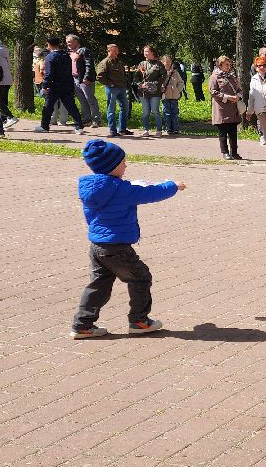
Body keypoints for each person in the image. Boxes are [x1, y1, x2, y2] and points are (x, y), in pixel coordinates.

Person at [70, 138, 183, 338]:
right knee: (141, 278)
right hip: (118, 247)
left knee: (99, 285)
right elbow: (151, 193)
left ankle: (82, 324)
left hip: (97, 245)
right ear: (112, 166)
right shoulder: (121, 189)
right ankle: (139, 321)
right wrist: (173, 185)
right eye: (123, 162)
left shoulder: (92, 188)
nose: (126, 165)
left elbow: (128, 190)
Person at [36, 35, 85, 134]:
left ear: (49, 44)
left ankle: (44, 126)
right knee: (71, 106)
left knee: (48, 106)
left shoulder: (50, 57)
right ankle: (79, 126)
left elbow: (49, 73)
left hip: (54, 85)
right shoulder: (66, 55)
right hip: (67, 84)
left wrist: (45, 86)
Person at [209, 55, 244, 160]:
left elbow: (239, 89)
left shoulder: (232, 77)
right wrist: (228, 97)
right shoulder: (214, 77)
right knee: (223, 132)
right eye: (226, 65)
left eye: (230, 65)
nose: (229, 67)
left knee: (233, 132)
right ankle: (225, 152)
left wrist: (238, 96)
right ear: (220, 65)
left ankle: (234, 152)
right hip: (222, 109)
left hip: (233, 109)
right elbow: (213, 92)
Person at [97, 43, 132, 135]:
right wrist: (110, 84)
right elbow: (100, 76)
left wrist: (125, 84)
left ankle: (122, 129)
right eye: (114, 51)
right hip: (112, 89)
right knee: (111, 109)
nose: (117, 53)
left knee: (125, 108)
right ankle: (112, 130)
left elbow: (123, 75)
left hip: (122, 88)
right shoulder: (105, 62)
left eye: (117, 51)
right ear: (109, 51)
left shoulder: (119, 62)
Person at [67, 35, 98, 129]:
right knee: (82, 100)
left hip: (84, 79)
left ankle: (96, 120)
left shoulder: (84, 50)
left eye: (69, 41)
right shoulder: (70, 52)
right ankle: (87, 119)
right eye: (67, 41)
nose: (67, 43)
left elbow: (89, 64)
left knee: (90, 99)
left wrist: (87, 77)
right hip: (74, 78)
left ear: (76, 41)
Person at [136, 46, 165, 136]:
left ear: (152, 52)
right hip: (143, 92)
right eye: (144, 52)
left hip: (155, 92)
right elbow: (136, 77)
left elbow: (164, 75)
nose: (145, 53)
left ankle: (159, 130)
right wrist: (140, 84)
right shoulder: (141, 64)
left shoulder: (159, 64)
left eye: (147, 51)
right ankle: (146, 130)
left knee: (155, 111)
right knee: (145, 112)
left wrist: (156, 84)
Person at [159, 54, 184, 135]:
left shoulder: (175, 72)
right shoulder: (161, 72)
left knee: (175, 112)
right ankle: (169, 128)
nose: (168, 63)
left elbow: (181, 82)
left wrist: (178, 90)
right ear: (163, 62)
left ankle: (176, 129)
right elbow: (159, 83)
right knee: (167, 112)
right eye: (166, 62)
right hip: (165, 96)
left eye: (169, 61)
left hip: (174, 96)